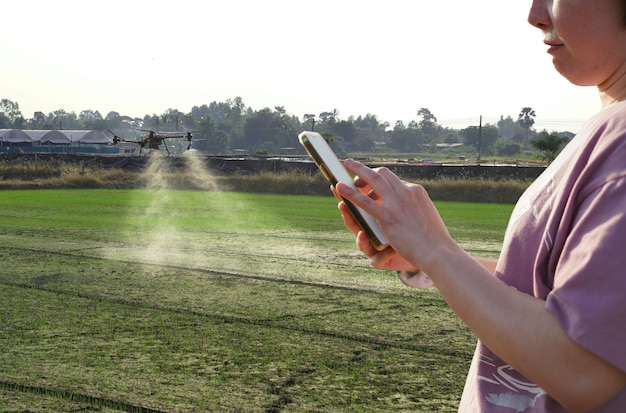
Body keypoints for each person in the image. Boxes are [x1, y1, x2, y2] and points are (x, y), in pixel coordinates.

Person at [334, 0, 626, 411]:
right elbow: (552, 301)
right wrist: (428, 258)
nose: (535, 14)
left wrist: (437, 250)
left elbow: (584, 370)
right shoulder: (609, 124)